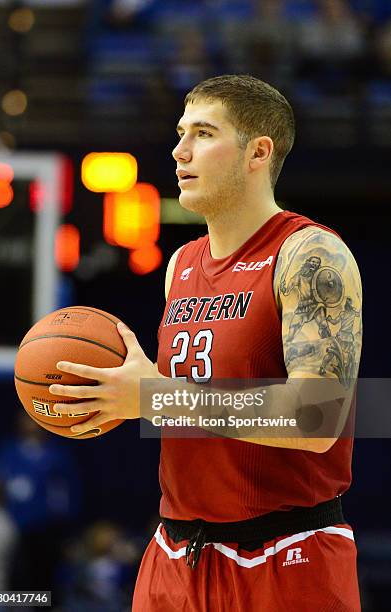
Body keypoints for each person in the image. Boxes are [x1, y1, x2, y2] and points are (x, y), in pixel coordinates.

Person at [49, 74, 363, 610]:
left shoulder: (310, 255)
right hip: (177, 553)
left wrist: (155, 396)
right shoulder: (181, 265)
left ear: (257, 152)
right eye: (180, 133)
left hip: (286, 555)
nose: (179, 150)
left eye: (203, 133)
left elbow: (319, 418)